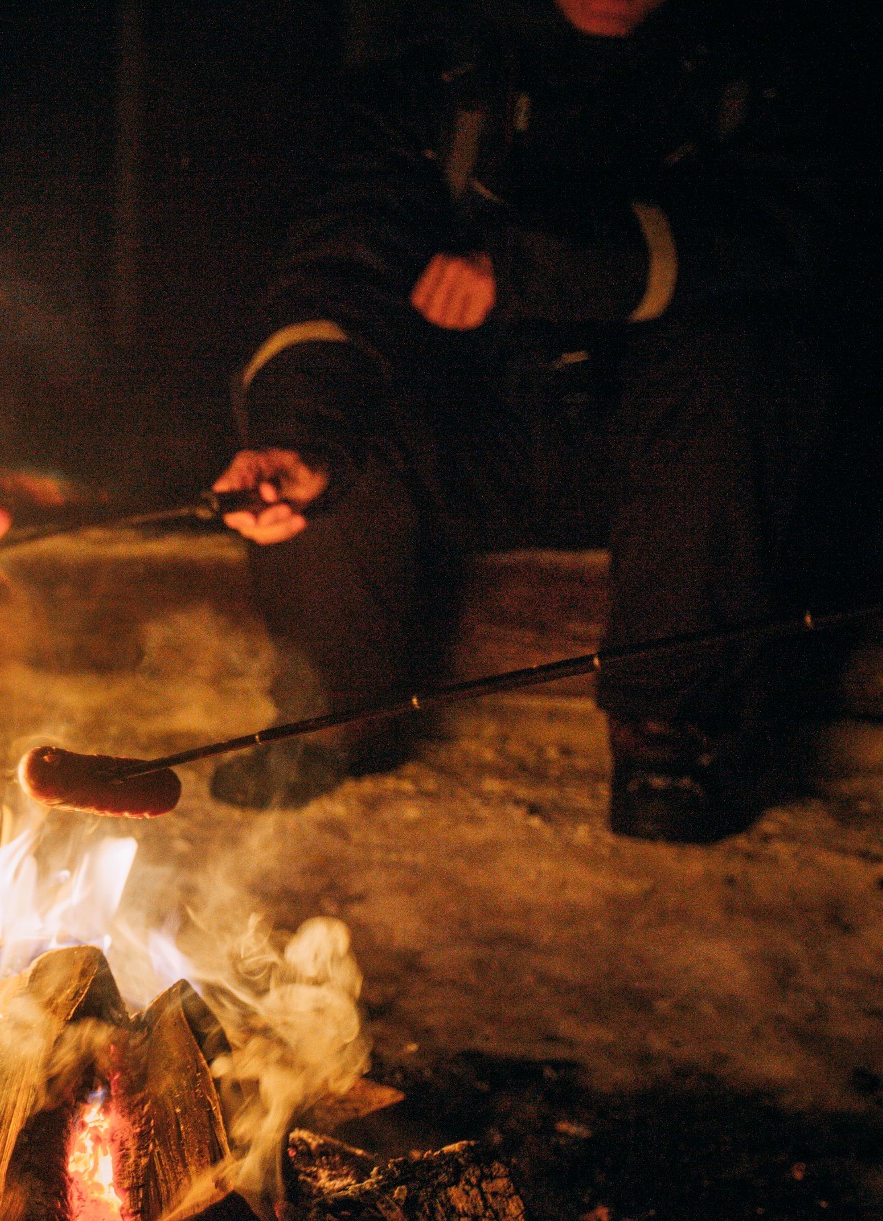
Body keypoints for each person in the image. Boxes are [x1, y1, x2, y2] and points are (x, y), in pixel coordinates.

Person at [210, 0, 826, 841]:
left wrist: (537, 271)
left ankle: (667, 730)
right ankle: (331, 713)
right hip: (479, 439)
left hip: (662, 460)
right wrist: (302, 437)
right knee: (316, 402)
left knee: (745, 357)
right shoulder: (443, 78)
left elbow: (781, 241)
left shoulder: (752, 81)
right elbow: (341, 258)